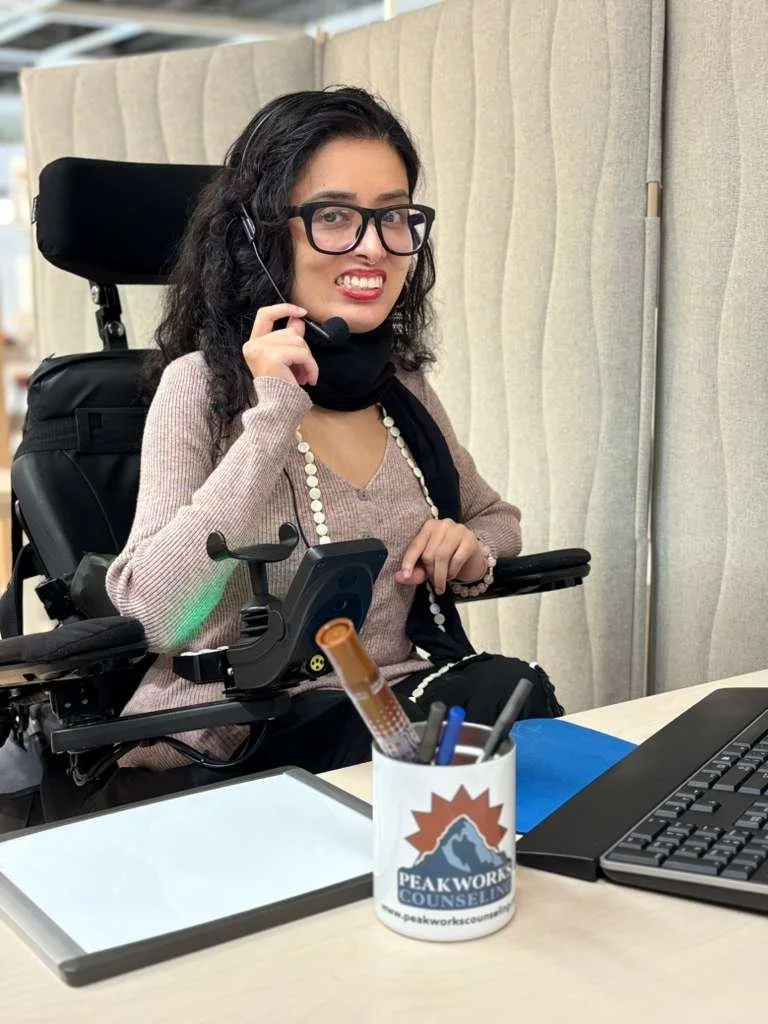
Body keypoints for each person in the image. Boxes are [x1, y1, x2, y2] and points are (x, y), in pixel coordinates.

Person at [97, 86, 562, 800]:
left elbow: (497, 519)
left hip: (389, 715)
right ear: (263, 234)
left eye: (394, 216)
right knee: (501, 711)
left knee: (513, 711)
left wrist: (469, 547)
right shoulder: (201, 387)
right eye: (335, 216)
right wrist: (273, 411)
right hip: (234, 740)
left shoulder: (400, 389)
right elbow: (157, 615)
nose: (374, 245)